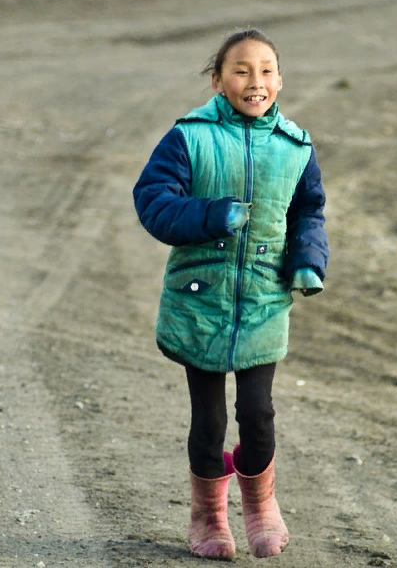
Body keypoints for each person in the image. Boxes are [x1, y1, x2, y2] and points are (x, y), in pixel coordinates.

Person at [132, 28, 329, 560]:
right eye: (240, 70)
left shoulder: (295, 147)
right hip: (201, 299)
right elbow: (152, 199)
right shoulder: (189, 136)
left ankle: (262, 507)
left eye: (266, 70)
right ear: (217, 79)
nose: (254, 80)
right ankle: (209, 518)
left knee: (259, 415)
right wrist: (212, 213)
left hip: (264, 299)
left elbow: (307, 210)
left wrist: (308, 261)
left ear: (280, 81)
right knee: (210, 421)